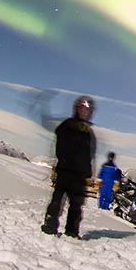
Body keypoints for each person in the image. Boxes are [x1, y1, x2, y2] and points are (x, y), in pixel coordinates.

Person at [41, 95, 97, 238]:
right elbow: (60, 143)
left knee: (76, 205)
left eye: (87, 110)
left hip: (79, 175)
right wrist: (65, 160)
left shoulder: (88, 132)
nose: (85, 111)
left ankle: (72, 231)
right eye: (82, 108)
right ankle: (50, 226)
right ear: (76, 109)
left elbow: (90, 153)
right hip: (65, 170)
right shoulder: (68, 125)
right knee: (57, 200)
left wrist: (88, 171)